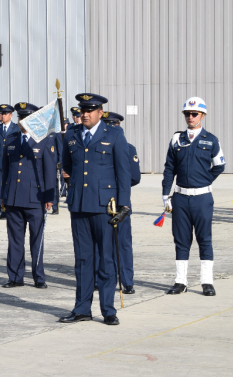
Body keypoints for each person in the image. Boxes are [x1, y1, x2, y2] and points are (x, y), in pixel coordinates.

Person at [59, 93, 131, 326]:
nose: (85, 114)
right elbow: (68, 167)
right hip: (79, 204)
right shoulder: (71, 135)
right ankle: (82, 308)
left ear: (100, 113)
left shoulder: (114, 134)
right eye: (83, 110)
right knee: (83, 259)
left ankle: (108, 309)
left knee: (106, 260)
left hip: (105, 207)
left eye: (90, 110)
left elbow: (123, 172)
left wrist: (124, 205)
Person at [162, 97, 225, 297]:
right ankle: (180, 281)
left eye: (194, 114)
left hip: (202, 198)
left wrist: (205, 180)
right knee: (181, 240)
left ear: (202, 116)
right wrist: (165, 195)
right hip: (180, 197)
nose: (190, 117)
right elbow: (169, 168)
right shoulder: (176, 139)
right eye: (187, 114)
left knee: (204, 239)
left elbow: (220, 165)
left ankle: (207, 281)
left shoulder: (211, 140)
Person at [0, 103, 56, 288]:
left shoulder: (44, 140)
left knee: (36, 240)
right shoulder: (11, 139)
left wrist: (50, 198)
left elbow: (49, 171)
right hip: (14, 198)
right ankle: (15, 277)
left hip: (36, 197)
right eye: (20, 118)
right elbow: (6, 171)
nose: (22, 121)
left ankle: (39, 278)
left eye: (26, 118)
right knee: (15, 240)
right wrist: (3, 195)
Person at [99, 111, 141, 294]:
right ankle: (102, 278)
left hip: (120, 200)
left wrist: (116, 186)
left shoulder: (128, 148)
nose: (109, 127)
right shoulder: (98, 145)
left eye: (112, 124)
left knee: (122, 243)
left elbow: (134, 177)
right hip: (101, 200)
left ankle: (127, 281)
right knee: (102, 243)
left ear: (118, 126)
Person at [0, 104, 19, 216]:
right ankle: (0, 209)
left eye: (5, 113)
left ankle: (10, 209)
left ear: (11, 115)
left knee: (10, 186)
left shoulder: (16, 128)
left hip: (11, 162)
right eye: (1, 113)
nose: (2, 116)